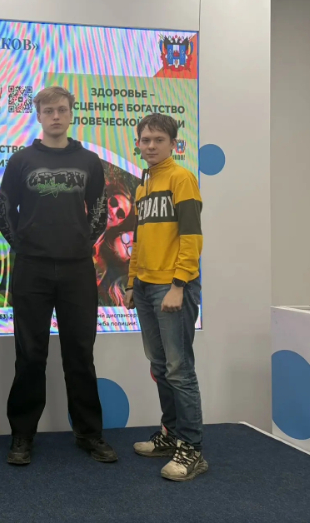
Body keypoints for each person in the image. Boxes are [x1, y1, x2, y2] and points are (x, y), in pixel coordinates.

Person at [0, 86, 116, 466]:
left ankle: (89, 433)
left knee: (80, 353)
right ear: (39, 115)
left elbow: (100, 212)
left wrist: (79, 244)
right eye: (49, 111)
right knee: (30, 355)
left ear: (71, 113)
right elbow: (4, 212)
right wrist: (26, 246)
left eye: (62, 110)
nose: (56, 116)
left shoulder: (89, 161)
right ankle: (22, 436)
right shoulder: (21, 160)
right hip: (31, 269)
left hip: (77, 269)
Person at [125, 113, 207, 481]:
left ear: (173, 144)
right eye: (145, 140)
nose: (151, 145)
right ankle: (171, 435)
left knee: (179, 370)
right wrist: (132, 283)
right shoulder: (142, 187)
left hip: (172, 286)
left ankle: (191, 449)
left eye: (159, 140)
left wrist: (179, 284)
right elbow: (139, 239)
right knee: (160, 367)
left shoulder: (181, 178)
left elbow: (191, 237)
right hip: (145, 287)